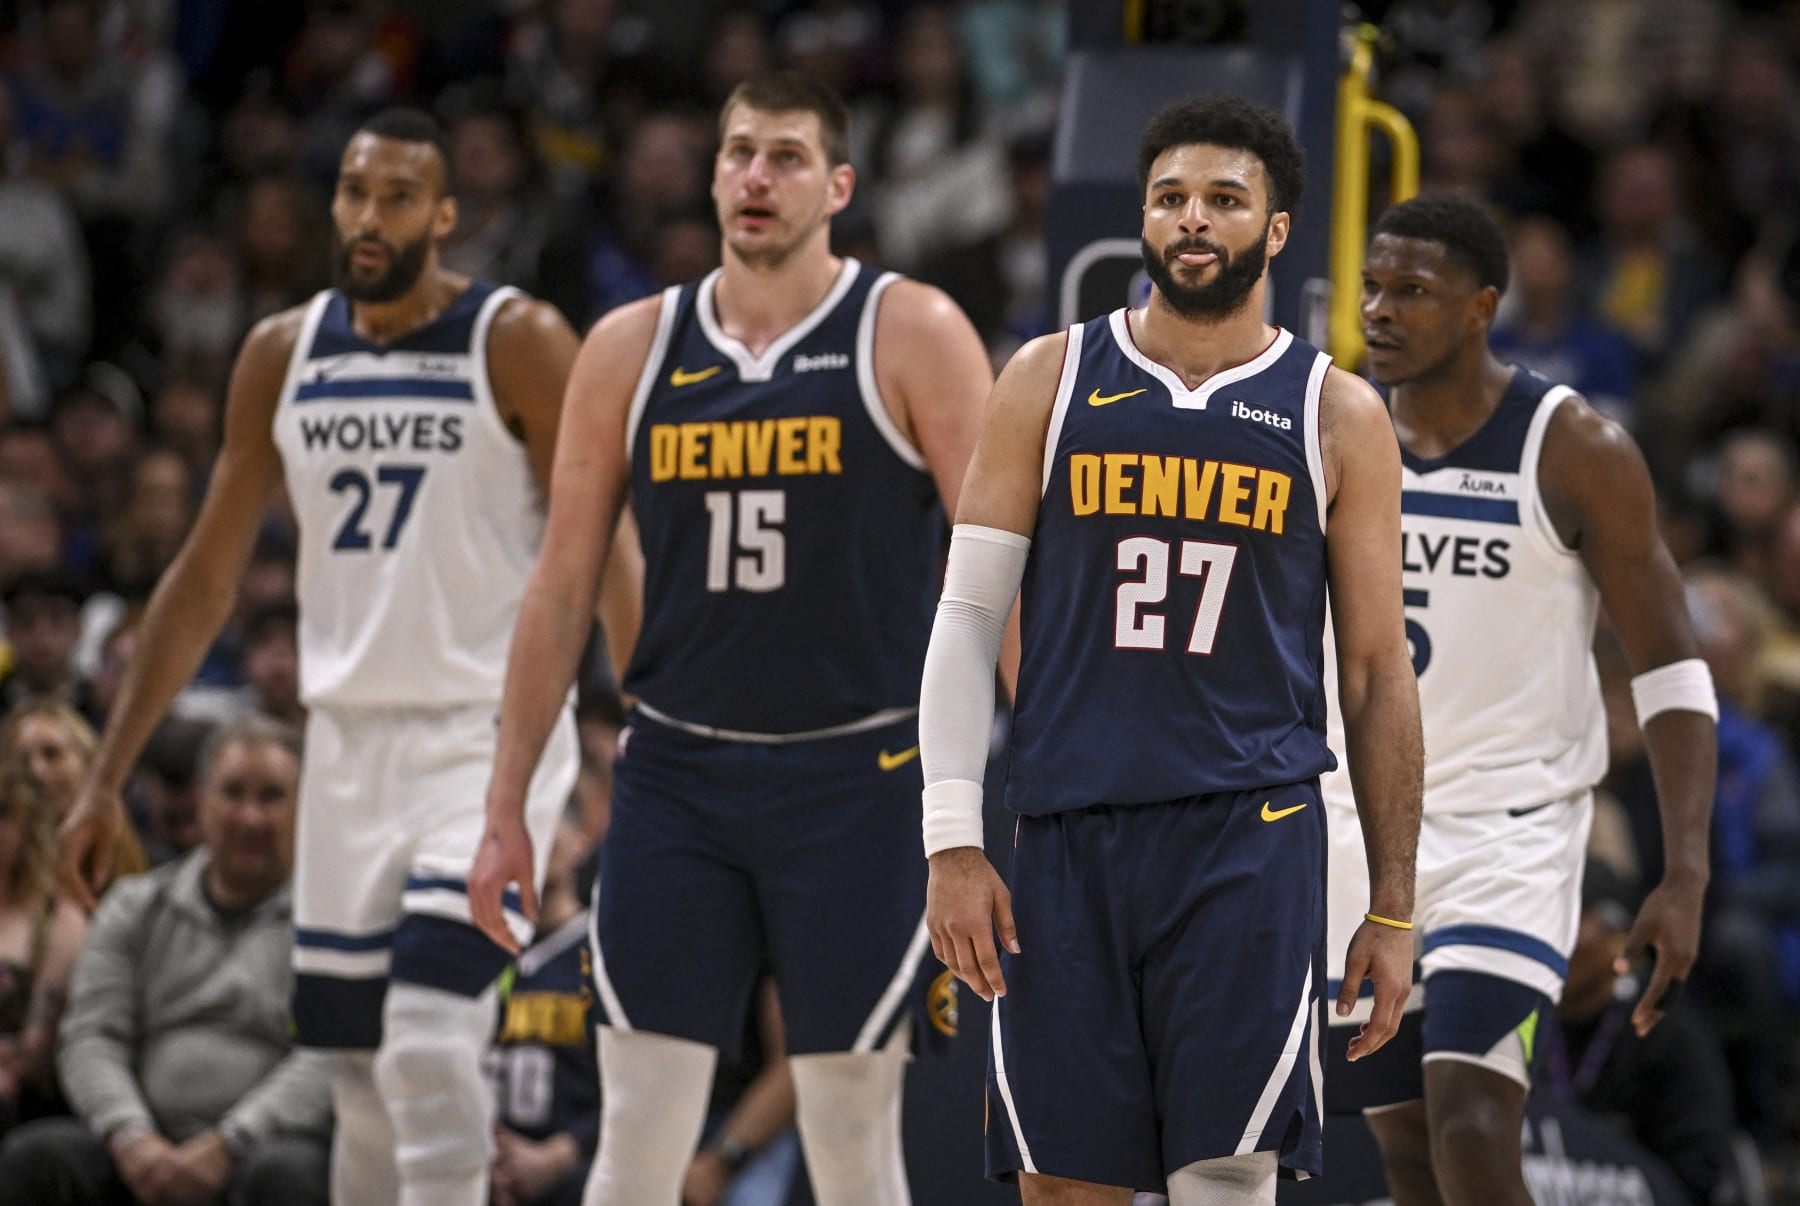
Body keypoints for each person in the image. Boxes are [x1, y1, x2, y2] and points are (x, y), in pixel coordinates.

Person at [469, 70, 995, 1206]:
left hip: (858, 775)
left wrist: (1033, 781)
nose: (757, 177)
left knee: (854, 1136)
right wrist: (508, 804)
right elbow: (561, 588)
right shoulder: (630, 346)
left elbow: (1001, 576)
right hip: (676, 772)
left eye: (788, 156)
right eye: (739, 153)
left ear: (840, 185)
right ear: (712, 176)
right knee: (638, 1135)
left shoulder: (911, 329)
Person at [57, 108, 592, 1206]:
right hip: (344, 753)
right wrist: (106, 777)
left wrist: (664, 733)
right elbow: (205, 577)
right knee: (355, 1076)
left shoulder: (519, 338)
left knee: (433, 1047)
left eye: (399, 196)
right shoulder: (281, 353)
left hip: (486, 742)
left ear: (444, 217)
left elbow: (606, 552)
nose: (367, 215)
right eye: (353, 190)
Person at [918, 94, 1423, 1205]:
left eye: (1225, 201)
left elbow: (1380, 670)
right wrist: (952, 841)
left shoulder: (1336, 413)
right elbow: (965, 619)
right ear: (1142, 219)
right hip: (1063, 836)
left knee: (1224, 1182)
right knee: (1061, 1189)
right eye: (1171, 199)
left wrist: (1392, 904)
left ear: (1278, 229)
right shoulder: (1046, 378)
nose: (1194, 220)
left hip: (1247, 839)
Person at [1324, 193, 1717, 1206]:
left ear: (1481, 308)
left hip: (1513, 838)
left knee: (1471, 1122)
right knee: (1407, 1144)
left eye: (1413, 291)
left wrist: (1685, 870)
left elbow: (1672, 666)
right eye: (1372, 288)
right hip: (1359, 833)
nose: (1381, 310)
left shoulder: (1575, 447)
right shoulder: (1330, 430)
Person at [0, 715, 332, 1206]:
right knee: (37, 1157)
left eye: (272, 797)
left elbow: (330, 1057)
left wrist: (230, 1142)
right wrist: (130, 1136)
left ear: (304, 808)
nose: (250, 817)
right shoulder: (135, 907)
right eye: (233, 793)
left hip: (265, 1148)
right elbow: (92, 1037)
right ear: (202, 801)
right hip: (139, 1143)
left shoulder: (330, 923)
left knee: (288, 1174)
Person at [0, 759, 86, 1131]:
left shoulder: (56, 921)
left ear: (27, 825)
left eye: (2, 813)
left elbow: (35, 1056)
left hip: (21, 1105)